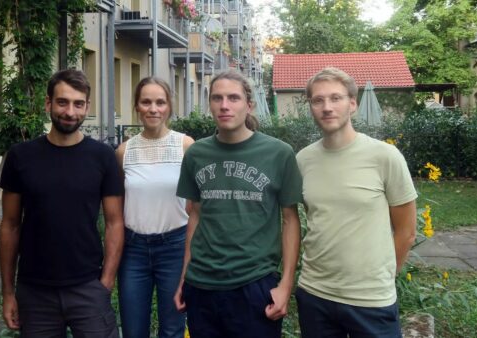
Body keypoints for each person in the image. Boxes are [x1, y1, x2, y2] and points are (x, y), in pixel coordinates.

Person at [174, 70, 303, 337]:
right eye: (217, 98)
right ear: (209, 104)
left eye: (233, 98)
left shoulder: (279, 153)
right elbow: (194, 216)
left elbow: (290, 219)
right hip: (201, 285)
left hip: (254, 283)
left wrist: (286, 284)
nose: (224, 105)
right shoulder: (196, 153)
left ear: (249, 104)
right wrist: (184, 277)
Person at [0, 69, 124, 338]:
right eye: (62, 102)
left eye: (78, 104)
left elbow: (114, 222)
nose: (70, 112)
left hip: (88, 286)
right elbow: (9, 226)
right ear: (48, 104)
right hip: (34, 290)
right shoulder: (21, 157)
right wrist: (8, 293)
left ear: (87, 106)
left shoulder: (103, 157)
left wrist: (106, 282)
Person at [295, 67, 417, 338]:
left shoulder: (385, 156)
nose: (327, 107)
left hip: (371, 301)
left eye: (336, 98)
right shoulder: (302, 160)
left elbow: (407, 232)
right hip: (315, 294)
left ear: (352, 103)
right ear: (311, 107)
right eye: (318, 100)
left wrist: (383, 277)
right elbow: (316, 218)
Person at [115, 77, 194, 338]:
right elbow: (117, 208)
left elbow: (195, 209)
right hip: (134, 250)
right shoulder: (124, 151)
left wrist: (190, 257)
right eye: (146, 102)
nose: (153, 109)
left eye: (160, 102)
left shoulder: (186, 146)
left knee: (172, 330)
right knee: (133, 330)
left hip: (174, 247)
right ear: (137, 106)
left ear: (169, 106)